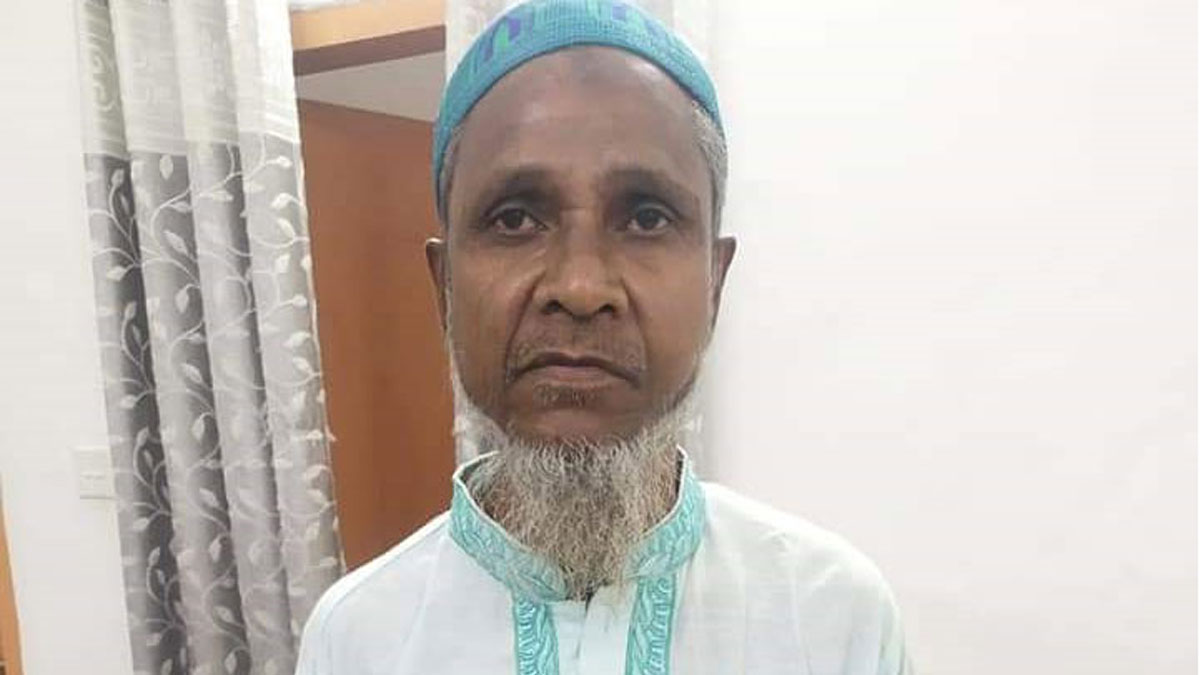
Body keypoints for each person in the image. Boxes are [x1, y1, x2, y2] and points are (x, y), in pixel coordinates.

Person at [296, 1, 912, 673]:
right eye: (514, 218)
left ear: (713, 282)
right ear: (445, 287)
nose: (581, 286)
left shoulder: (830, 617)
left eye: (646, 217)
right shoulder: (358, 637)